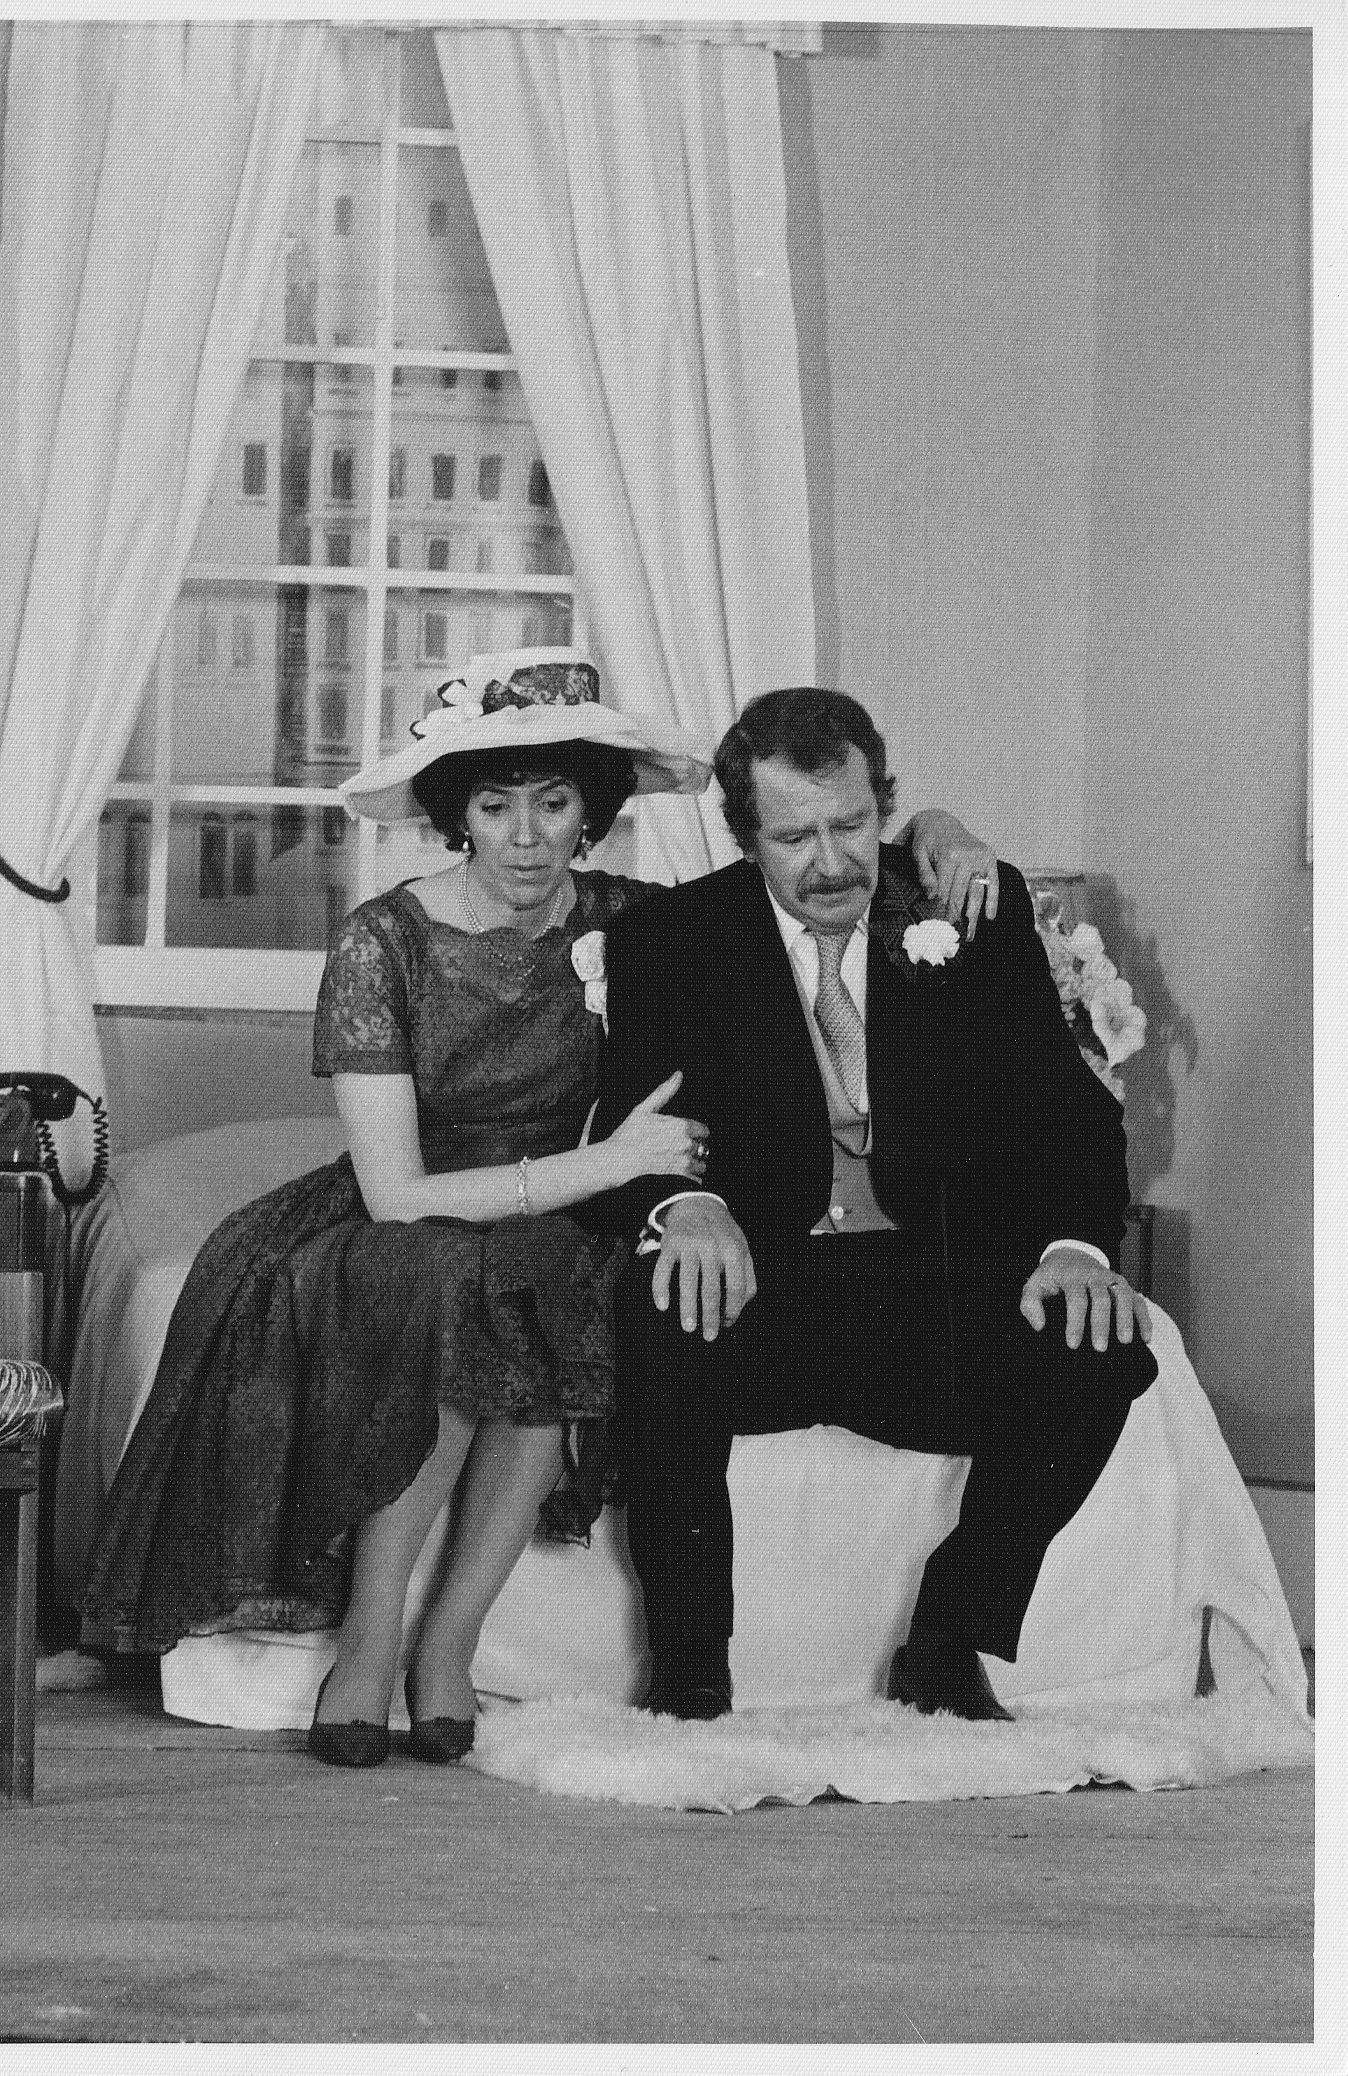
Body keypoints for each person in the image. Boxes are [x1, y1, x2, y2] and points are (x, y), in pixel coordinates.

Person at [82, 650, 994, 1769]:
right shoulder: (381, 940)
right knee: (453, 1282)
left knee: (549, 1285)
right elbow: (396, 1194)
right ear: (457, 818)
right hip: (419, 1210)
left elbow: (804, 867)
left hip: (574, 1213)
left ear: (590, 813)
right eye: (495, 807)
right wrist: (606, 1163)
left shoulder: (640, 921)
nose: (525, 837)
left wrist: (938, 830)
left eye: (553, 804)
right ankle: (369, 1639)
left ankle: (449, 1644)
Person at [586, 686, 1159, 1723]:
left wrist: (1075, 1247)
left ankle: (947, 1642)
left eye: (850, 826)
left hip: (932, 1294)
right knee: (660, 1305)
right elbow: (636, 1122)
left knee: (1104, 1343)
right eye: (793, 837)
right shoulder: (669, 938)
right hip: (767, 1287)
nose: (831, 864)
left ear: (883, 807)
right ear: (745, 835)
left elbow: (1069, 1114)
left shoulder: (965, 913)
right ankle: (689, 1665)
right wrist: (686, 1207)